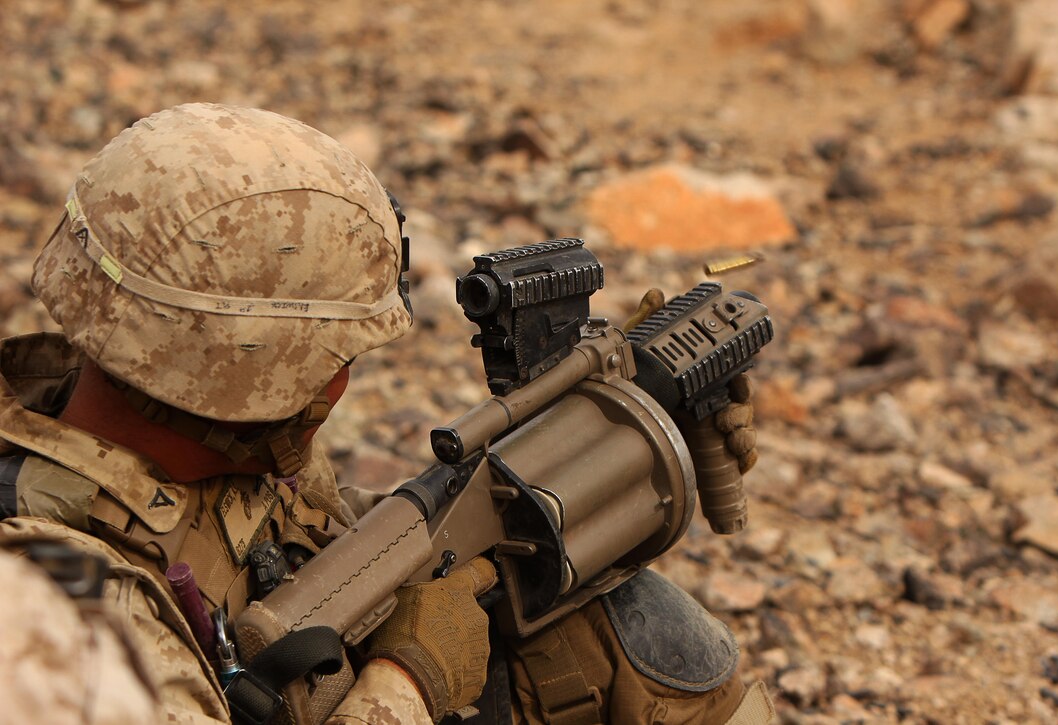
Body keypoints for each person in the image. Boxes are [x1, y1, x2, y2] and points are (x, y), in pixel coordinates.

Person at [0, 103, 774, 724]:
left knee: (640, 636)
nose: (336, 389)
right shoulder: (58, 629)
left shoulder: (188, 440)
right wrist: (407, 684)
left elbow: (339, 542)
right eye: (332, 361)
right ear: (250, 376)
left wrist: (608, 457)